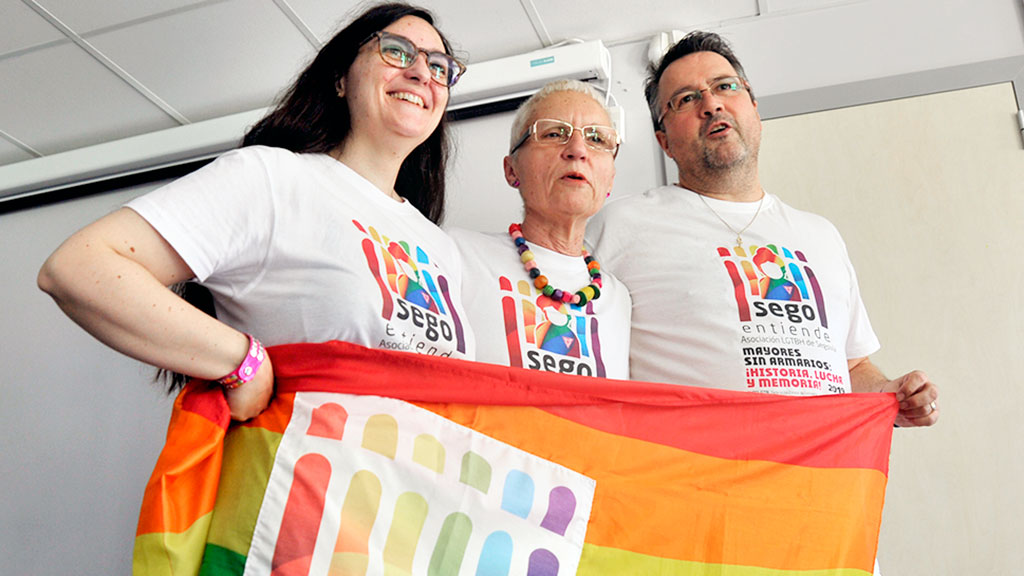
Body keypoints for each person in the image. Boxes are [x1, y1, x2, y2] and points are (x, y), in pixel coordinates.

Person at [37, 2, 474, 421]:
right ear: (341, 78)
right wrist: (241, 359)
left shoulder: (439, 246)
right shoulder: (273, 178)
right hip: (308, 487)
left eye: (440, 67)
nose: (421, 73)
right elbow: (77, 267)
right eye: (396, 51)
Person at [587, 31, 938, 428]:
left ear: (753, 107)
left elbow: (852, 364)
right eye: (686, 99)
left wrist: (890, 396)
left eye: (725, 86)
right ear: (663, 140)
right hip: (695, 482)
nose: (712, 103)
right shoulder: (620, 226)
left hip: (821, 482)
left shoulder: (820, 236)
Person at [450, 80, 630, 379]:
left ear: (610, 181)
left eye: (597, 139)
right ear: (512, 170)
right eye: (554, 133)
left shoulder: (619, 299)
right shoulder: (457, 255)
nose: (577, 150)